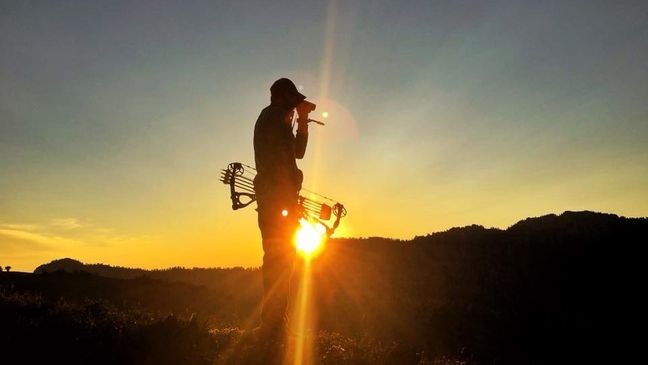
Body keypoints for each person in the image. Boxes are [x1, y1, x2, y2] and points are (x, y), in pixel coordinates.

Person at [253, 78, 312, 340]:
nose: (295, 107)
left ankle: (275, 324)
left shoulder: (277, 117)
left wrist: (303, 121)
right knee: (279, 259)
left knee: (280, 259)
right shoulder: (273, 116)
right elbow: (288, 159)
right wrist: (294, 178)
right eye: (293, 101)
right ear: (282, 98)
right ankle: (273, 326)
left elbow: (297, 152)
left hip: (278, 198)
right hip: (277, 199)